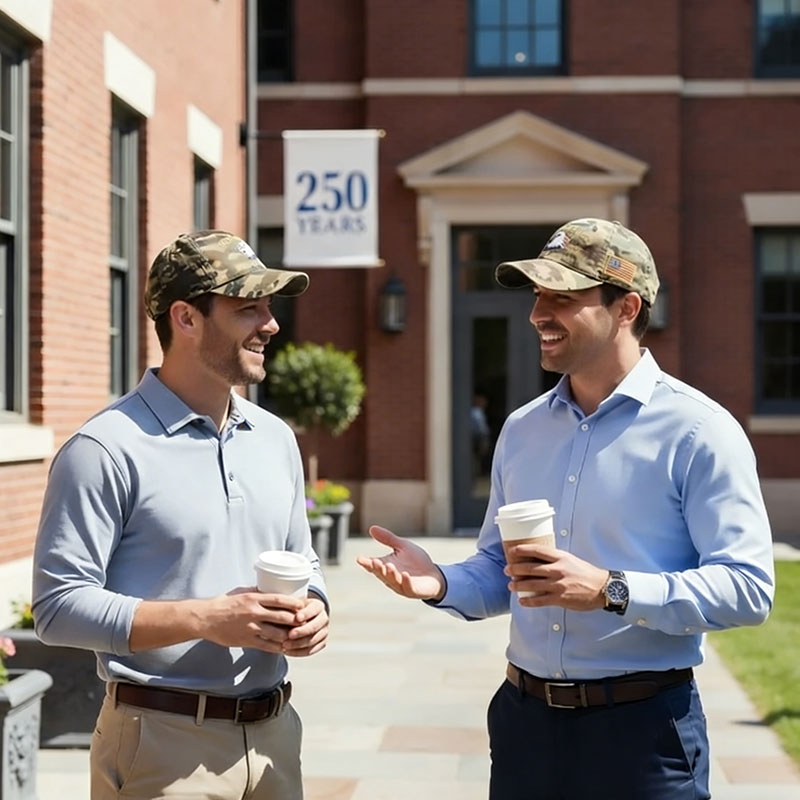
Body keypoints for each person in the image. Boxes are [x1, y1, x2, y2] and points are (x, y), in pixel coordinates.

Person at [358, 218, 775, 800]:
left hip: (643, 735)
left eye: (563, 298)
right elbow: (501, 572)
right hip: (524, 726)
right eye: (537, 297)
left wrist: (611, 588)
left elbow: (748, 588)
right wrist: (442, 582)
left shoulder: (700, 431)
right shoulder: (523, 429)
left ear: (626, 307)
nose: (538, 314)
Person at [32, 230, 329, 800]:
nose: (271, 324)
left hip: (275, 742)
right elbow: (56, 607)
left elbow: (303, 559)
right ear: (186, 318)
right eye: (249, 309)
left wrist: (315, 604)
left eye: (269, 308)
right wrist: (204, 618)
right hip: (160, 748)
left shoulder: (274, 438)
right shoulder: (104, 448)